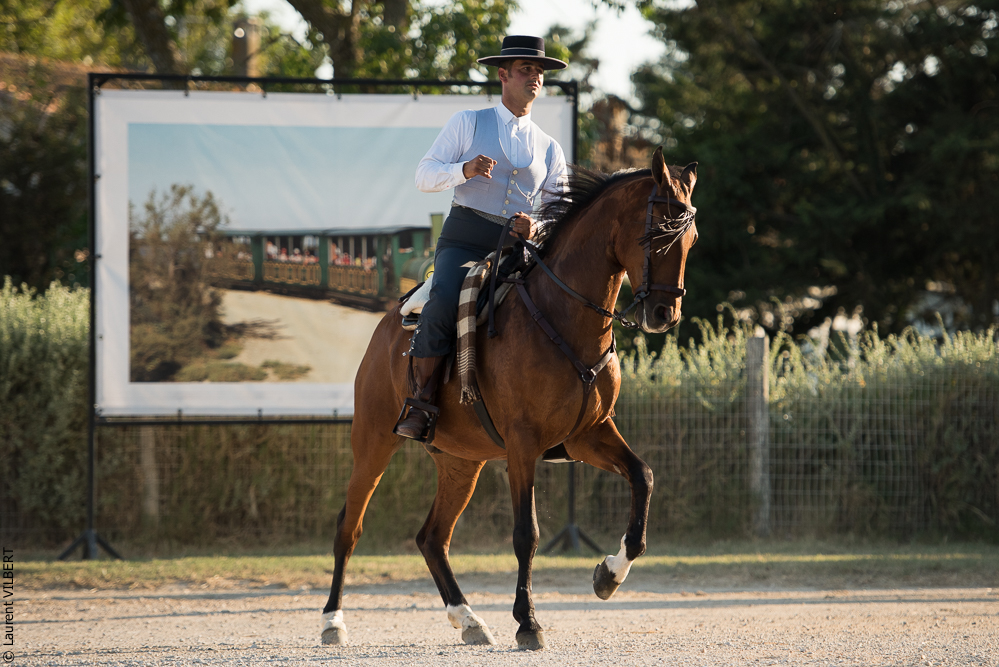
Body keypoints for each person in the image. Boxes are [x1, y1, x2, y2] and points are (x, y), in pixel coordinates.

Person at [393, 35, 569, 442]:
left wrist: (537, 228)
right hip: (465, 240)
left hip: (517, 250)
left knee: (556, 309)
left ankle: (557, 418)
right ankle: (420, 404)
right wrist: (464, 169)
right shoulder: (467, 122)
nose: (535, 77)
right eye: (527, 69)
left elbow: (557, 211)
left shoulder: (550, 148)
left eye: (540, 71)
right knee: (444, 300)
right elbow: (424, 176)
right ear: (503, 75)